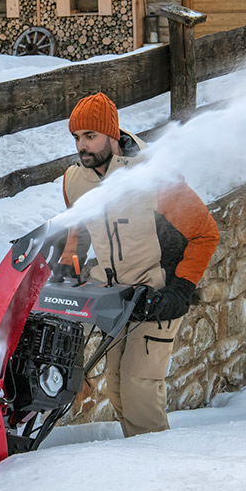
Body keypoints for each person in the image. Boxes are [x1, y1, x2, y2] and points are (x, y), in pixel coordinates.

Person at [58, 92, 219, 437]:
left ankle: (157, 463)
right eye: (76, 137)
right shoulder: (74, 180)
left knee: (138, 389)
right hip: (114, 299)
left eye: (90, 136)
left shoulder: (152, 176)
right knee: (116, 386)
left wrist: (180, 291)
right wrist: (69, 263)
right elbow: (78, 231)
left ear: (112, 135)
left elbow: (205, 233)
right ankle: (137, 459)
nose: (82, 146)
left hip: (156, 296)